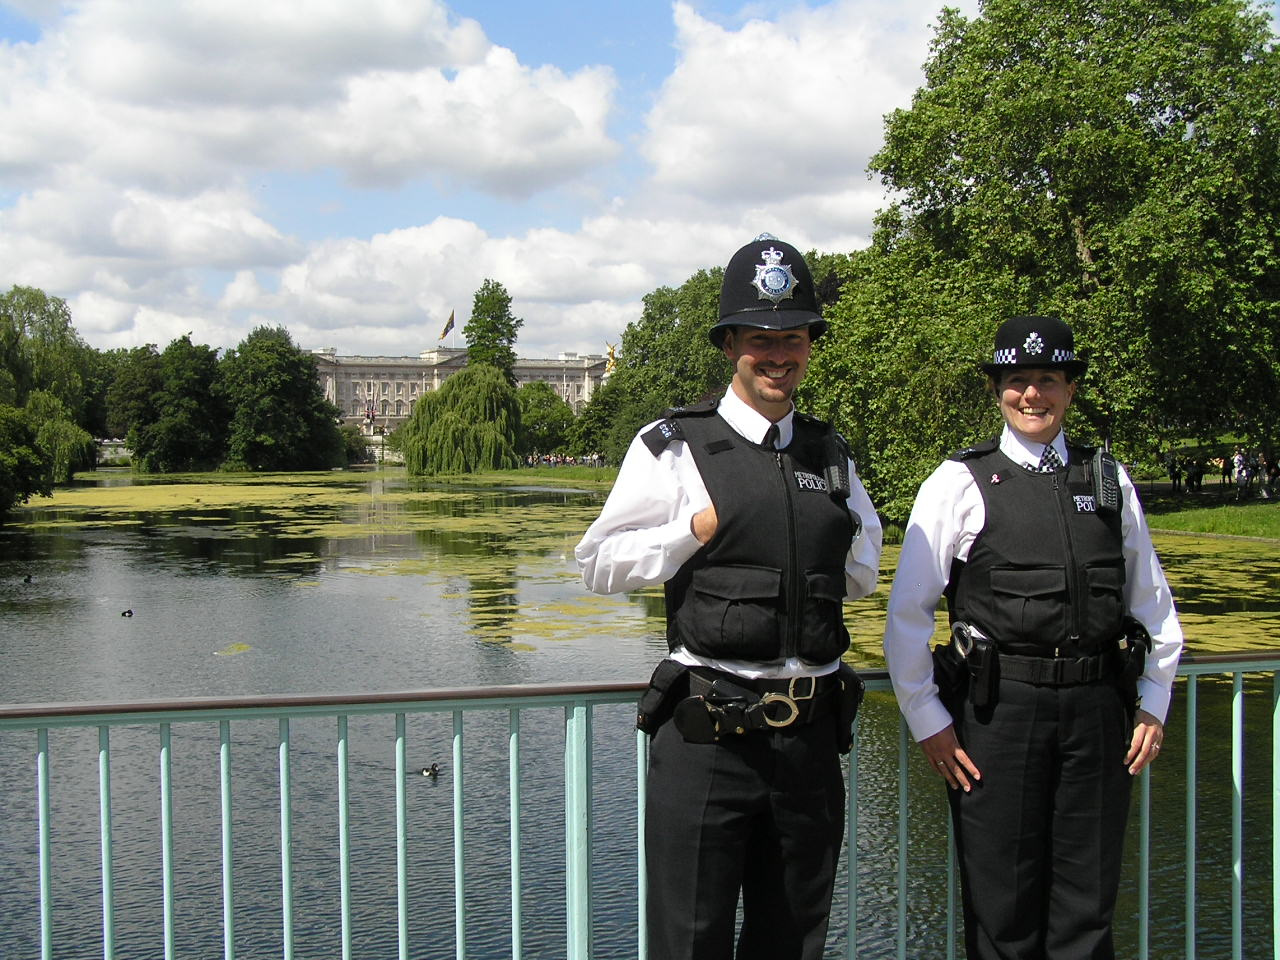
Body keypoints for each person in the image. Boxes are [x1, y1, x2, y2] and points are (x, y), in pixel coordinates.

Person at [576, 235, 882, 960]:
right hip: (708, 738)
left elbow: (864, 567)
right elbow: (597, 563)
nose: (779, 354)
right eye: (760, 340)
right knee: (691, 943)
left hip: (808, 743)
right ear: (729, 346)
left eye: (794, 338)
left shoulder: (830, 452)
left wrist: (803, 548)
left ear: (810, 344)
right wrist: (694, 529)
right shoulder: (675, 446)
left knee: (793, 943)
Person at [882, 315, 1183, 960]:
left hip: (1099, 716)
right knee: (1003, 914)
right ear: (997, 390)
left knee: (1087, 909)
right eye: (1017, 380)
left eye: (1048, 379)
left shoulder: (1109, 481)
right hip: (998, 717)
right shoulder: (958, 483)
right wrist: (929, 719)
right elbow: (907, 617)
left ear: (1070, 388)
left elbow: (1152, 602)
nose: (1032, 395)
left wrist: (1154, 700)